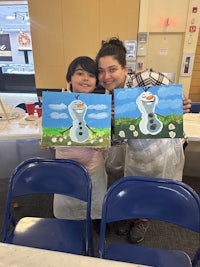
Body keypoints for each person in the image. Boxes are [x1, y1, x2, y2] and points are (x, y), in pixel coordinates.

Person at [95, 37, 192, 244]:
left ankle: (143, 219)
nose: (106, 76)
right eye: (101, 71)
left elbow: (173, 100)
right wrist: (112, 123)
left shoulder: (147, 78)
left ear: (125, 68)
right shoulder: (108, 97)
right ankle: (131, 212)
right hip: (136, 149)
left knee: (154, 183)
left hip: (162, 145)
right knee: (133, 181)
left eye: (112, 69)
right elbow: (118, 141)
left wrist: (181, 105)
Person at [53, 56, 107, 229]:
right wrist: (47, 142)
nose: (85, 78)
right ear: (69, 78)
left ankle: (97, 218)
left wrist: (103, 144)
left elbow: (106, 138)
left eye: (90, 75)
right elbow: (52, 134)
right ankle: (68, 221)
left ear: (96, 82)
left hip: (93, 163)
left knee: (96, 195)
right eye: (79, 73)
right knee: (67, 197)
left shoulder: (100, 105)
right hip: (65, 162)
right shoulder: (58, 103)